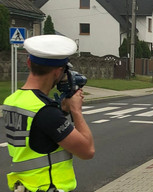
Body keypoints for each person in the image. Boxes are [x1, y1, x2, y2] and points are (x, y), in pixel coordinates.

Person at [2, 35, 95, 192]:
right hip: (47, 187)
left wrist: (62, 110)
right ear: (58, 72)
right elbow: (87, 150)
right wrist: (76, 111)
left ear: (29, 63)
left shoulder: (11, 101)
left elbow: (38, 135)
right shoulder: (46, 112)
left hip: (23, 186)